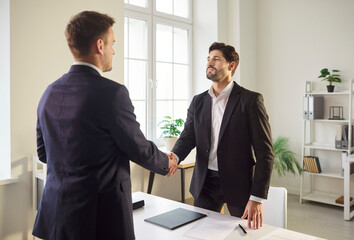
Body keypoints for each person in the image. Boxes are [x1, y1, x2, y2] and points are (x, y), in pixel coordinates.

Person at [32, 11, 177, 240]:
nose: (114, 51)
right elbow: (137, 147)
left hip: (56, 214)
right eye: (112, 44)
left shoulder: (49, 92)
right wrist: (165, 163)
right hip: (98, 219)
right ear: (100, 45)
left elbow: (44, 153)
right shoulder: (112, 94)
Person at [171, 42, 274, 230]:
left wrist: (257, 198)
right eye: (208, 59)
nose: (210, 63)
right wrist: (174, 157)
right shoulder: (198, 101)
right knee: (200, 232)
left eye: (216, 59)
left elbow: (265, 153)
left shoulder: (250, 101)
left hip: (238, 184)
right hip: (205, 183)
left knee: (243, 234)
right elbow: (187, 137)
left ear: (231, 65)